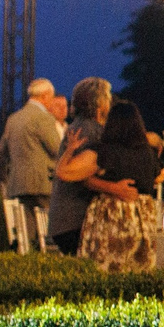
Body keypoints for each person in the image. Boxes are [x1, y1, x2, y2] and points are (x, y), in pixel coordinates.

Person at [74, 99, 164, 272]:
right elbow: (160, 175)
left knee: (106, 266)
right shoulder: (148, 155)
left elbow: (71, 174)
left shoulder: (104, 152)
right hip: (143, 214)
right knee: (140, 268)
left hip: (111, 213)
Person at [0, 77, 64, 253]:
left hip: (18, 183)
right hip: (43, 182)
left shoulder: (13, 119)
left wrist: (1, 179)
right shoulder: (44, 118)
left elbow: (1, 152)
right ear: (45, 95)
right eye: (51, 97)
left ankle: (28, 262)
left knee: (27, 235)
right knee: (50, 234)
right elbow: (57, 149)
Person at [47, 79, 114, 256]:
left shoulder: (77, 126)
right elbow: (84, 176)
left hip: (63, 221)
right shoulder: (91, 131)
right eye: (107, 98)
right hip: (75, 220)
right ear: (99, 103)